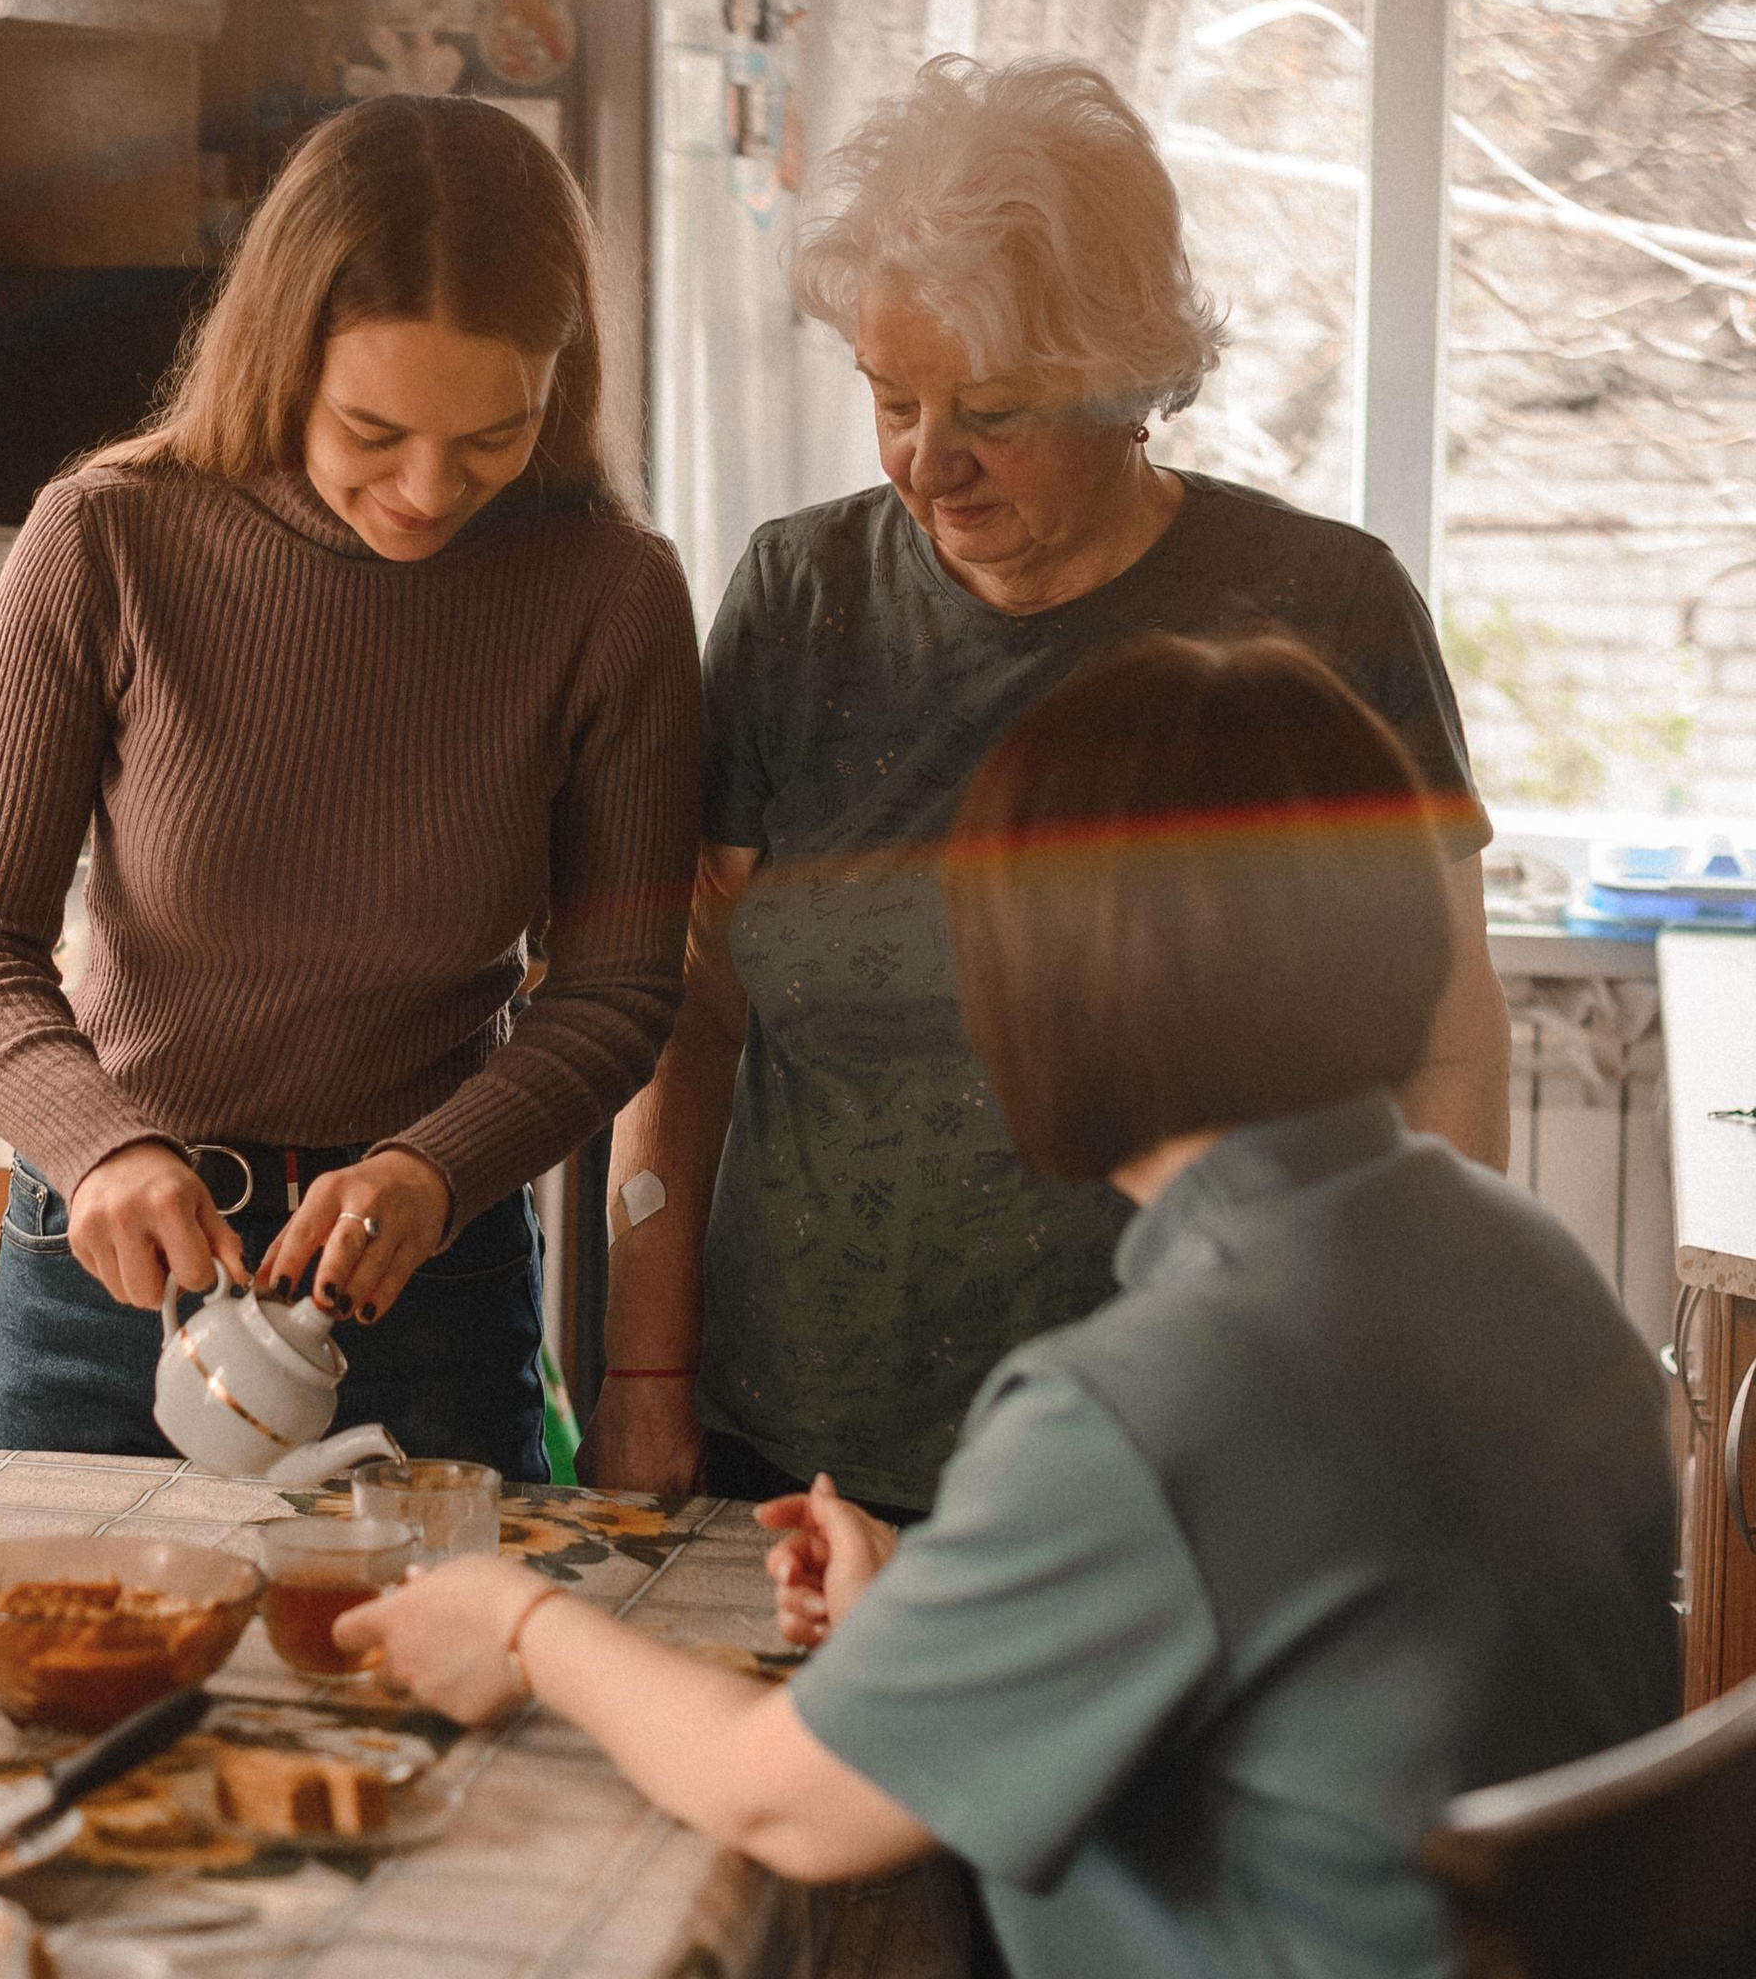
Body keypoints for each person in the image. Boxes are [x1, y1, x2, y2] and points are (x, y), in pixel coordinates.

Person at [352, 635, 1677, 1979]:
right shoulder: (1530, 1262)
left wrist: (518, 1624)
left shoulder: (1143, 1406)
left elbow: (782, 1803)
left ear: (1069, 989)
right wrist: (949, 1618)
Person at [587, 53, 1512, 1519]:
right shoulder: (799, 597)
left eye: (995, 410)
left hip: (1195, 1454)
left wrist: (1402, 1396)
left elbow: (1447, 1048)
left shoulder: (1322, 615)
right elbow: (693, 1017)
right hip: (800, 1456)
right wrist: (644, 1374)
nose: (928, 463)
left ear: (1129, 383)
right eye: (891, 397)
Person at [0, 95, 701, 1482]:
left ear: (560, 385)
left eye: (495, 435)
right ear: (282, 357)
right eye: (372, 428)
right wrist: (102, 1150)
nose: (428, 489)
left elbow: (620, 990)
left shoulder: (610, 594)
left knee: (440, 1635)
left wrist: (437, 1170)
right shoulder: (107, 538)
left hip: (426, 1281)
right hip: (116, 1275)